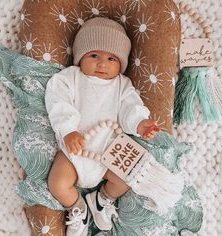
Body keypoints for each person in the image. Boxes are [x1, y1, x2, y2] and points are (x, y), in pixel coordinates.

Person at [45, 17, 160, 236]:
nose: (102, 63)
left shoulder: (122, 85)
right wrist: (68, 129)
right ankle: (78, 209)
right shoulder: (70, 78)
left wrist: (141, 123)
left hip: (107, 151)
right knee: (57, 184)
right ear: (80, 57)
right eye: (94, 55)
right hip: (75, 150)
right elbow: (58, 101)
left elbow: (130, 108)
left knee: (126, 179)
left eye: (111, 58)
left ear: (121, 64)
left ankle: (101, 199)